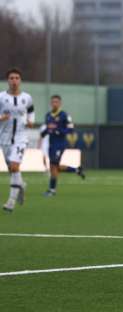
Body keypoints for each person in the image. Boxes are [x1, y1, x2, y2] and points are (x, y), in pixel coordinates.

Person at [0, 68, 34, 212]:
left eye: (17, 78)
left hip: (21, 137)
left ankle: (11, 202)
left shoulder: (27, 97)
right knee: (12, 170)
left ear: (20, 80)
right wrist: (1, 118)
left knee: (14, 166)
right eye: (12, 78)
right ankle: (21, 185)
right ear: (7, 80)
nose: (14, 81)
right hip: (4, 137)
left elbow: (31, 111)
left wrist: (31, 120)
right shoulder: (1, 97)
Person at [42, 94, 85, 197]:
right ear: (50, 103)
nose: (54, 104)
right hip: (51, 144)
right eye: (53, 102)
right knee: (53, 166)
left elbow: (70, 129)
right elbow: (48, 129)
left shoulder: (64, 115)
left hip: (60, 144)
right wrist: (44, 132)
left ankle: (52, 190)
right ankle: (76, 170)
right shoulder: (48, 115)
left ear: (60, 103)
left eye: (56, 102)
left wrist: (58, 130)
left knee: (54, 166)